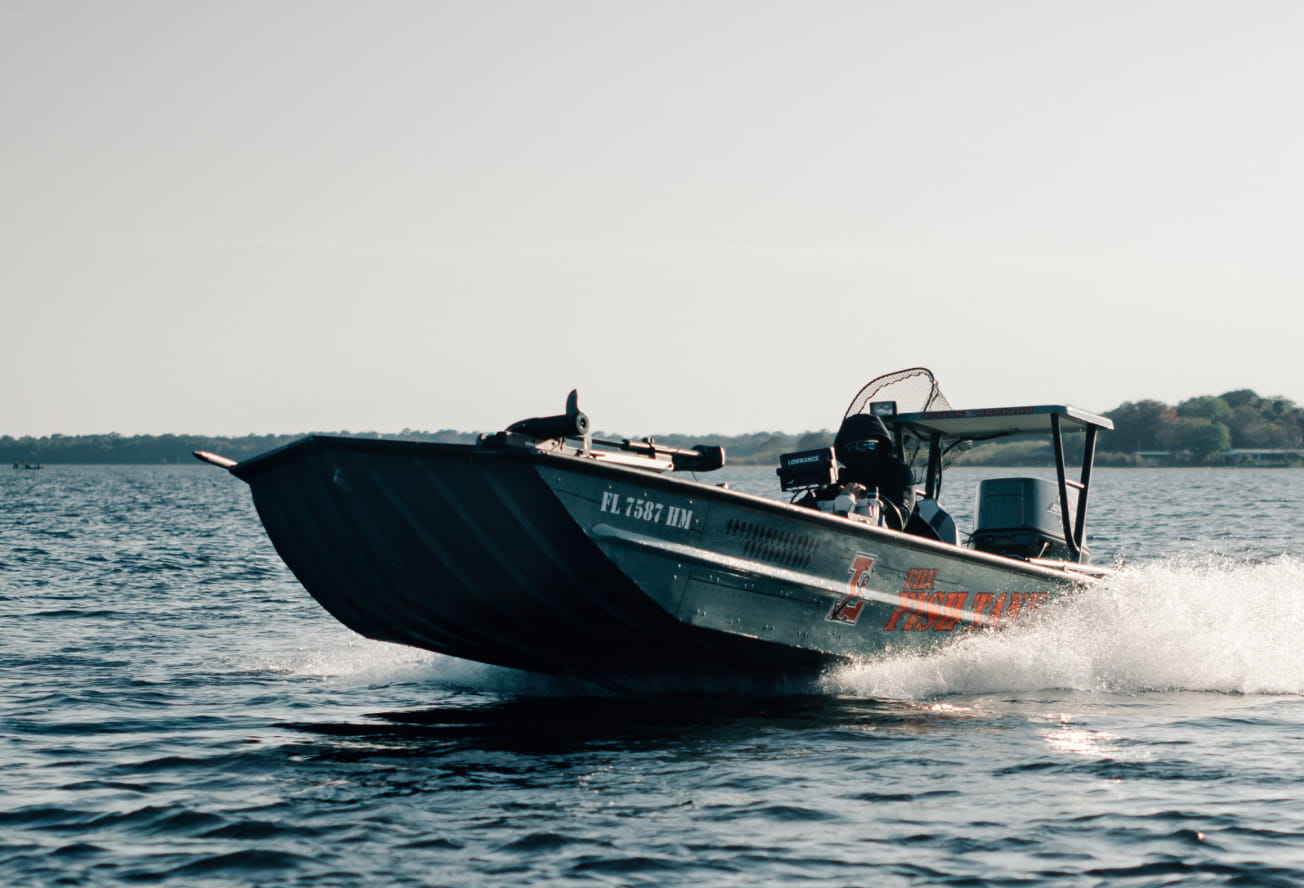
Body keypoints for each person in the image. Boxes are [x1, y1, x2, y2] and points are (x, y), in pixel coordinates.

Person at [831, 413, 916, 523]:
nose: (861, 452)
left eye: (868, 446)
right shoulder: (841, 477)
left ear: (880, 446)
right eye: (854, 448)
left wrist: (867, 497)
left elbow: (903, 514)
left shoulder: (899, 472)